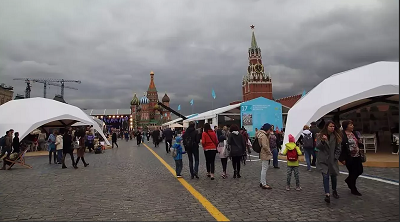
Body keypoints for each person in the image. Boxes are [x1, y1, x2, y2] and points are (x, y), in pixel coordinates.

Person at [316, 120, 342, 203]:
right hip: (323, 159)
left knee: (333, 176)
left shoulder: (336, 136)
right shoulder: (320, 135)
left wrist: (336, 157)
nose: (332, 128)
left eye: (333, 126)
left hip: (332, 159)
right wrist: (323, 141)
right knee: (325, 176)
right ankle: (327, 194)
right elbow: (318, 147)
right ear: (326, 127)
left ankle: (334, 190)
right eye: (330, 126)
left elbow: (338, 148)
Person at [339, 120, 364, 196]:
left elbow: (357, 142)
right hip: (349, 157)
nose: (352, 126)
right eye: (350, 125)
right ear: (346, 126)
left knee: (360, 170)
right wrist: (341, 158)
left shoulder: (354, 133)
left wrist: (360, 144)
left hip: (357, 155)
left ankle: (349, 180)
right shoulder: (342, 135)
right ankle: (353, 189)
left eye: (352, 125)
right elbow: (340, 148)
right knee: (352, 172)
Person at [257, 123, 273, 189]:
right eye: (270, 129)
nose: (270, 131)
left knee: (264, 168)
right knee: (264, 169)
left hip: (263, 153)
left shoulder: (261, 134)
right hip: (265, 153)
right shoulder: (263, 136)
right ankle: (263, 183)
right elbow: (265, 145)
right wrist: (269, 152)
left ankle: (262, 182)